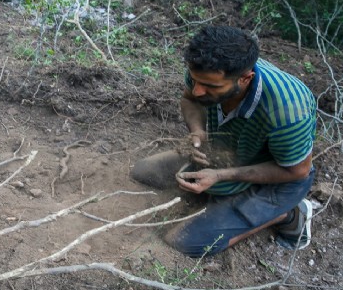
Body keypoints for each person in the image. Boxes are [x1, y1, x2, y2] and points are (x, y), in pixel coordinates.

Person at [130, 26, 317, 257]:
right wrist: (198, 132)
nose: (198, 90)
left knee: (184, 243)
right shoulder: (205, 72)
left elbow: (297, 171)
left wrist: (220, 175)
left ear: (245, 79)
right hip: (231, 151)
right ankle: (221, 195)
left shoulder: (287, 111)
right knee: (143, 171)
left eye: (210, 87)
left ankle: (287, 214)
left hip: (279, 177)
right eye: (196, 81)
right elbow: (190, 99)